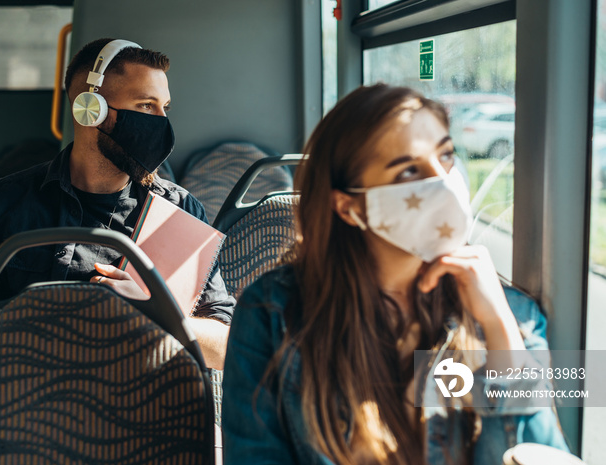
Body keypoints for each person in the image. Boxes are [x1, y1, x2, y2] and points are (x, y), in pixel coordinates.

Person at [222, 84, 570, 464]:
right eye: (408, 171)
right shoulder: (271, 313)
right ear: (349, 207)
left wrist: (501, 332)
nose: (445, 184)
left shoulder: (513, 312)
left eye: (447, 156)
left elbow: (542, 455)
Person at [0, 38, 234, 369]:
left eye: (164, 108)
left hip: (143, 405)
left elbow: (225, 349)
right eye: (145, 106)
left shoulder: (177, 211)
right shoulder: (8, 201)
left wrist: (155, 313)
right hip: (32, 402)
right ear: (90, 108)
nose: (161, 122)